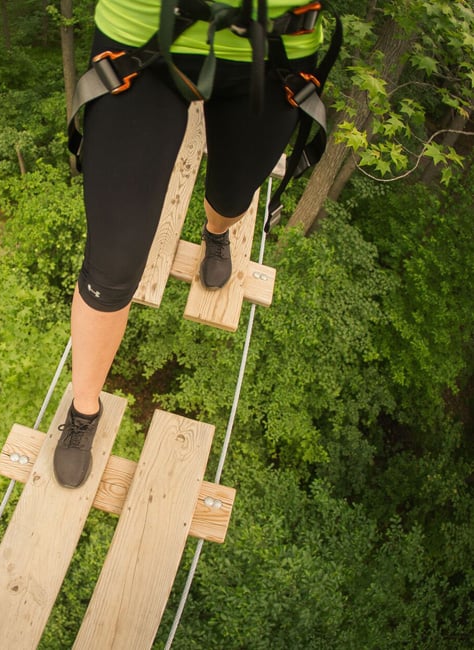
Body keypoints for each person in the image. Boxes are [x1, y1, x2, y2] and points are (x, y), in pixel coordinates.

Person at [53, 0, 323, 488]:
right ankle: (83, 409)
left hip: (272, 49)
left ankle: (216, 233)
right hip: (141, 38)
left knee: (232, 197)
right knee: (110, 264)